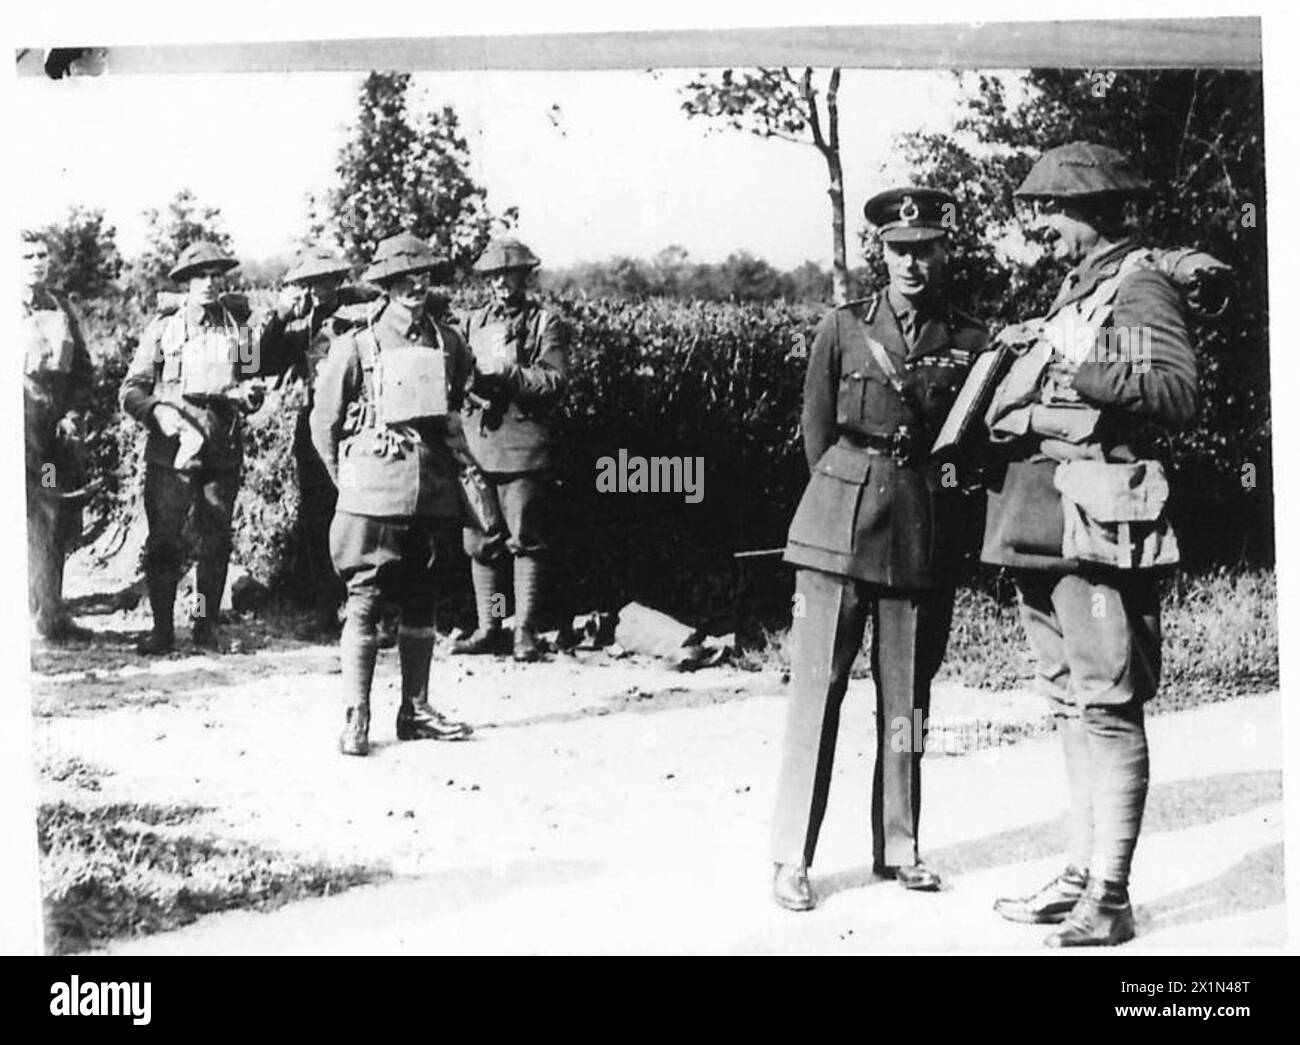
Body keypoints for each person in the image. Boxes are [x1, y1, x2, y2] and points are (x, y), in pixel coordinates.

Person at [981, 143, 1197, 947]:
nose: (1044, 227)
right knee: (1070, 701)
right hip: (1049, 525)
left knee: (1107, 706)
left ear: (1094, 214)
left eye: (1055, 212)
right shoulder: (1081, 287)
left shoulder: (1141, 288)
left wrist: (1082, 360)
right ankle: (1079, 873)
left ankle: (1110, 893)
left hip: (1103, 530)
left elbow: (1176, 393)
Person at [770, 188, 988, 911]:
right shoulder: (843, 328)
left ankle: (900, 844)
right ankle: (791, 857)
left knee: (908, 699)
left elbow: (972, 443)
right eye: (900, 249)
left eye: (925, 247)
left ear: (942, 251)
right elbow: (815, 431)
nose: (912, 262)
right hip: (837, 527)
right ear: (881, 253)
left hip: (918, 532)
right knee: (816, 696)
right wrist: (844, 497)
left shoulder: (968, 338)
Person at [310, 233, 474, 756]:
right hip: (372, 492)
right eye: (403, 279)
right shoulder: (356, 346)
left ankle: (416, 708)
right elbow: (325, 424)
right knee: (364, 600)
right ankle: (357, 714)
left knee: (423, 598)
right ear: (384, 286)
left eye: (423, 276)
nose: (415, 286)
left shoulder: (448, 342)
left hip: (431, 489)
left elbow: (456, 400)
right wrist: (348, 481)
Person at [120, 241, 271, 654]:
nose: (208, 283)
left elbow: (254, 386)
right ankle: (163, 630)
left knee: (215, 543)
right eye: (199, 276)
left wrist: (251, 394)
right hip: (171, 452)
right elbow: (131, 390)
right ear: (185, 283)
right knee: (165, 541)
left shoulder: (240, 329)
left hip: (221, 450)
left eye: (215, 275)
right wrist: (157, 413)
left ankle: (204, 625)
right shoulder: (163, 329)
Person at [451, 237, 569, 663]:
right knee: (481, 539)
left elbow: (554, 381)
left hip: (522, 446)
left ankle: (525, 630)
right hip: (477, 444)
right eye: (494, 276)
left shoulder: (545, 324)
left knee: (525, 539)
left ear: (524, 277)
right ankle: (490, 627)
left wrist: (508, 373)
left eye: (509, 275)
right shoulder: (470, 323)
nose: (502, 284)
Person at [259, 247, 378, 636]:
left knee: (369, 518)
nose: (320, 290)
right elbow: (250, 363)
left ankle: (373, 608)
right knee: (318, 519)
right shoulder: (299, 324)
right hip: (316, 428)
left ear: (340, 280)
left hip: (363, 425)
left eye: (327, 281)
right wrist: (278, 318)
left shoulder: (362, 311)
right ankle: (326, 609)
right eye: (311, 283)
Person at [22, 231, 93, 641]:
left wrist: (72, 414)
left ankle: (49, 613)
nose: (36, 261)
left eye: (42, 255)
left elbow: (82, 371)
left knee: (50, 514)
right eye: (27, 255)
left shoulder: (61, 307)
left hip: (49, 446)